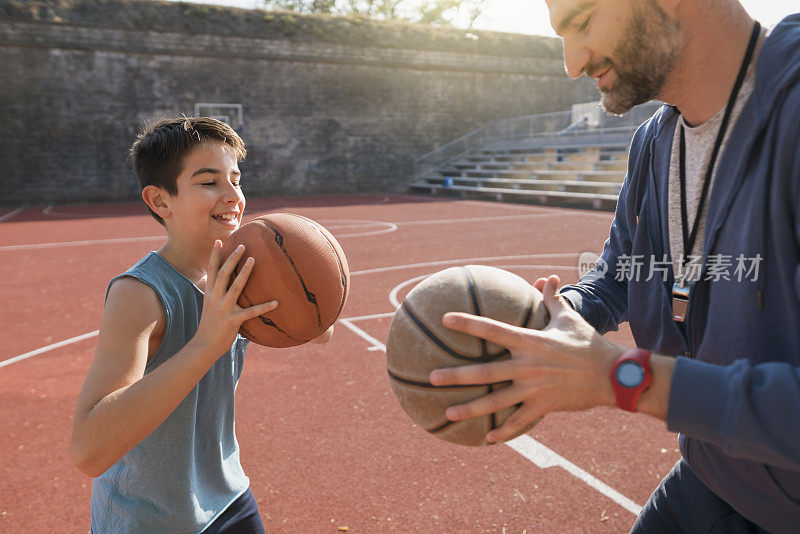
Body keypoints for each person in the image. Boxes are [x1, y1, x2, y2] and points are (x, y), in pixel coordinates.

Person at [429, 1, 800, 531]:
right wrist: (542, 317)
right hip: (718, 471)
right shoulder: (655, 142)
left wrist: (617, 376)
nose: (572, 63)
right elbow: (617, 278)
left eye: (582, 21)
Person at [70, 116, 331, 533]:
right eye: (208, 182)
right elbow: (88, 450)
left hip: (228, 497)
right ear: (160, 201)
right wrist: (206, 343)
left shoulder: (240, 272)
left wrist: (304, 273)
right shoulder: (140, 294)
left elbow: (319, 329)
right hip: (151, 518)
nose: (233, 196)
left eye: (236, 179)